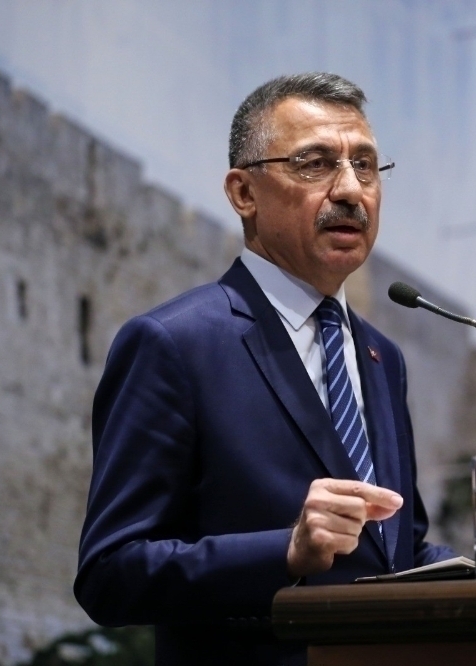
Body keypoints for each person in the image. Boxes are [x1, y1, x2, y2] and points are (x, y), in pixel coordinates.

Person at [74, 72, 454, 665]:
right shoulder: (175, 344)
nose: (350, 189)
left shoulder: (382, 356)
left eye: (365, 166)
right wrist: (285, 552)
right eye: (315, 164)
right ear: (244, 193)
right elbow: (110, 574)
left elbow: (396, 549)